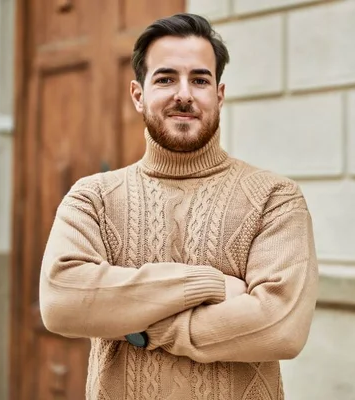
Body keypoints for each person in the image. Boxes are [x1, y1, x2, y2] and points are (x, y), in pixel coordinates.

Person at [39, 13, 318, 400]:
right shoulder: (93, 198)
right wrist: (208, 285)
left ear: (219, 95)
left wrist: (142, 329)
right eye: (166, 78)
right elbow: (62, 302)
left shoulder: (274, 197)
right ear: (138, 95)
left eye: (199, 79)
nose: (183, 93)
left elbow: (280, 327)